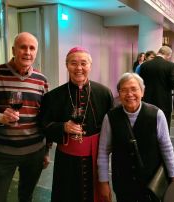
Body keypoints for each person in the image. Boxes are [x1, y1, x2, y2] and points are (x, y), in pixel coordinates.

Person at [0, 32, 49, 202]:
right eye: (23, 47)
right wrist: (0, 118)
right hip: (4, 152)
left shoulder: (41, 80)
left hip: (35, 152)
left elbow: (46, 118)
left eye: (32, 48)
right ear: (13, 49)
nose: (27, 52)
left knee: (26, 196)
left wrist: (46, 151)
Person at [39, 47, 113, 202]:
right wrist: (63, 127)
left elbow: (112, 126)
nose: (79, 68)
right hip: (67, 159)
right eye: (73, 63)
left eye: (83, 63)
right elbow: (44, 125)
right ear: (67, 66)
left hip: (96, 158)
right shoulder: (53, 96)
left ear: (90, 66)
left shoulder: (104, 93)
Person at [97, 73, 174, 202]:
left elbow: (166, 148)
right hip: (123, 181)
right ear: (119, 94)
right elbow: (103, 151)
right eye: (123, 90)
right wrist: (103, 182)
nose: (129, 94)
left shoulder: (156, 114)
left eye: (134, 89)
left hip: (151, 183)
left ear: (142, 91)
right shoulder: (111, 117)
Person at [139, 46, 174, 128]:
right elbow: (173, 84)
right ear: (168, 55)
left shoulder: (144, 65)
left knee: (148, 124)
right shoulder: (170, 65)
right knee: (163, 124)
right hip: (164, 100)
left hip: (147, 99)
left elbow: (141, 82)